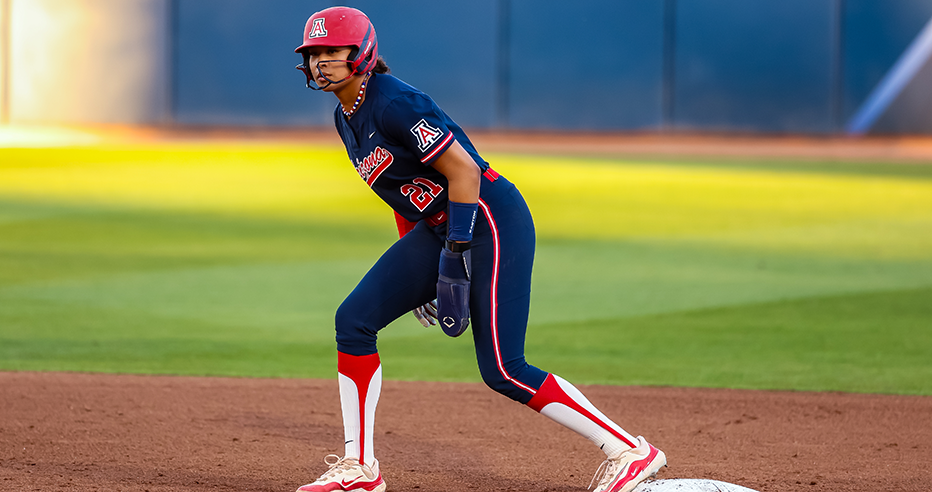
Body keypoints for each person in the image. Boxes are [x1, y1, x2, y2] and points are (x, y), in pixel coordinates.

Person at [292, 7, 666, 492]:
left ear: (360, 52)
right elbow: (401, 192)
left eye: (331, 51)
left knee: (504, 369)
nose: (320, 62)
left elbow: (464, 171)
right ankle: (360, 470)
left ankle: (630, 451)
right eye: (313, 54)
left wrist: (455, 251)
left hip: (490, 218)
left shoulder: (394, 103)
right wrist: (416, 264)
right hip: (444, 226)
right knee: (354, 321)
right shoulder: (347, 116)